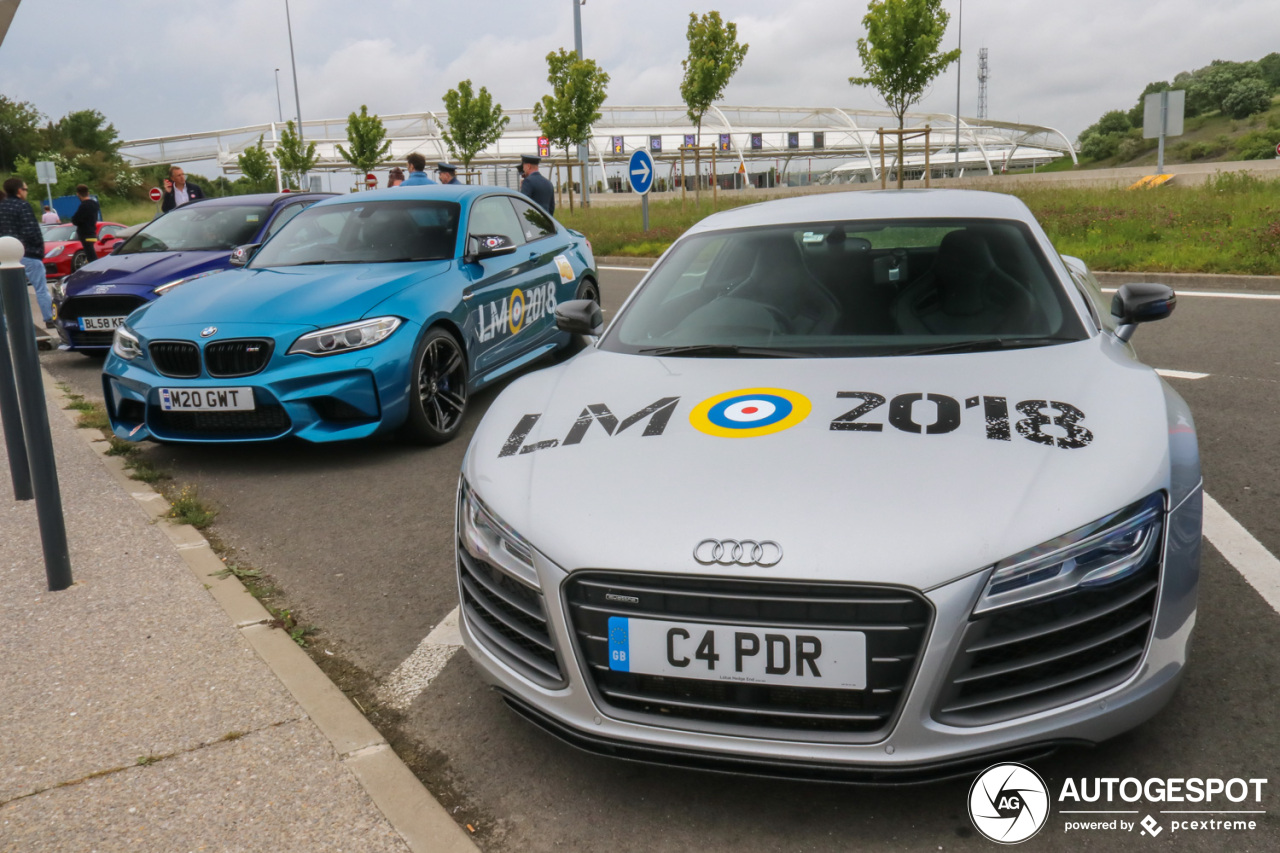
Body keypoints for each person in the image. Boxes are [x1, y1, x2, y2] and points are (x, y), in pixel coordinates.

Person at [0, 177, 55, 330]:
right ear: (19, 191)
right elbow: (32, 230)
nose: (26, 192)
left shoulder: (1, 206)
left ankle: (6, 323)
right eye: (25, 189)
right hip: (28, 253)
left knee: (6, 292)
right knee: (40, 288)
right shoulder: (23, 205)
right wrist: (38, 249)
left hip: (5, 255)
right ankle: (49, 317)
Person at [70, 184, 101, 267]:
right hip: (93, 232)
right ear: (88, 192)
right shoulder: (95, 204)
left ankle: (95, 271)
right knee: (91, 255)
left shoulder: (84, 206)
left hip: (85, 234)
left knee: (91, 257)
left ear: (78, 194)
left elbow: (75, 220)